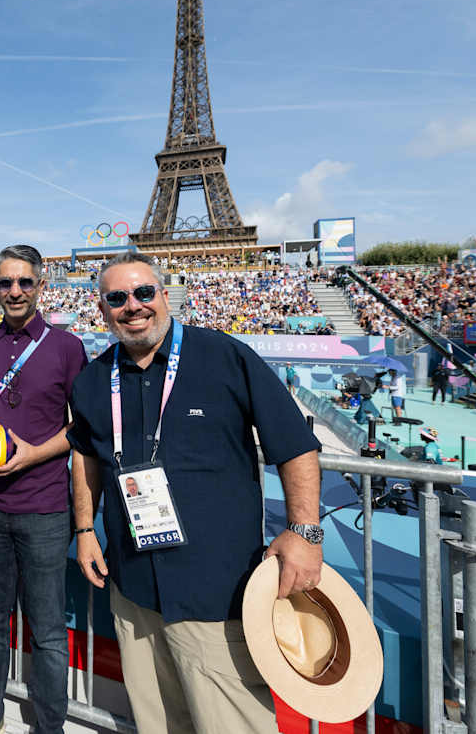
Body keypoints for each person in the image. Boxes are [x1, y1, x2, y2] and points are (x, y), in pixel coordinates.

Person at [68, 253, 322, 734]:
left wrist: (305, 531)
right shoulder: (94, 379)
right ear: (102, 309)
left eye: (144, 292)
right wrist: (84, 527)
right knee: (157, 722)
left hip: (215, 590)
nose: (133, 306)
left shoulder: (223, 355)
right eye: (117, 298)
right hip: (135, 588)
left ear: (165, 295)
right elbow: (85, 454)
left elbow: (294, 444)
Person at [0, 245, 87, 734]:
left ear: (41, 285)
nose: (15, 291)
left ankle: (49, 727)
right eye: (6, 282)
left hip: (45, 508)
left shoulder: (67, 347)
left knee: (47, 633)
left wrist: (31, 454)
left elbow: (80, 427)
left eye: (24, 282)